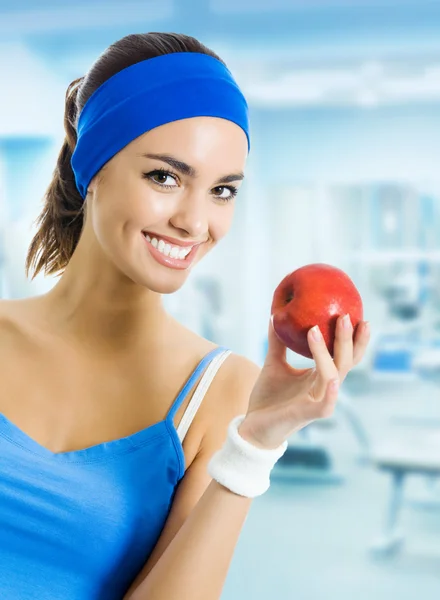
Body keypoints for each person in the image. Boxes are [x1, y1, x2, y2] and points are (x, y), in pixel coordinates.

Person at [0, 32, 370, 600]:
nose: (196, 223)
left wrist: (254, 447)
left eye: (222, 191)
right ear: (92, 166)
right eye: (165, 177)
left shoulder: (220, 392)